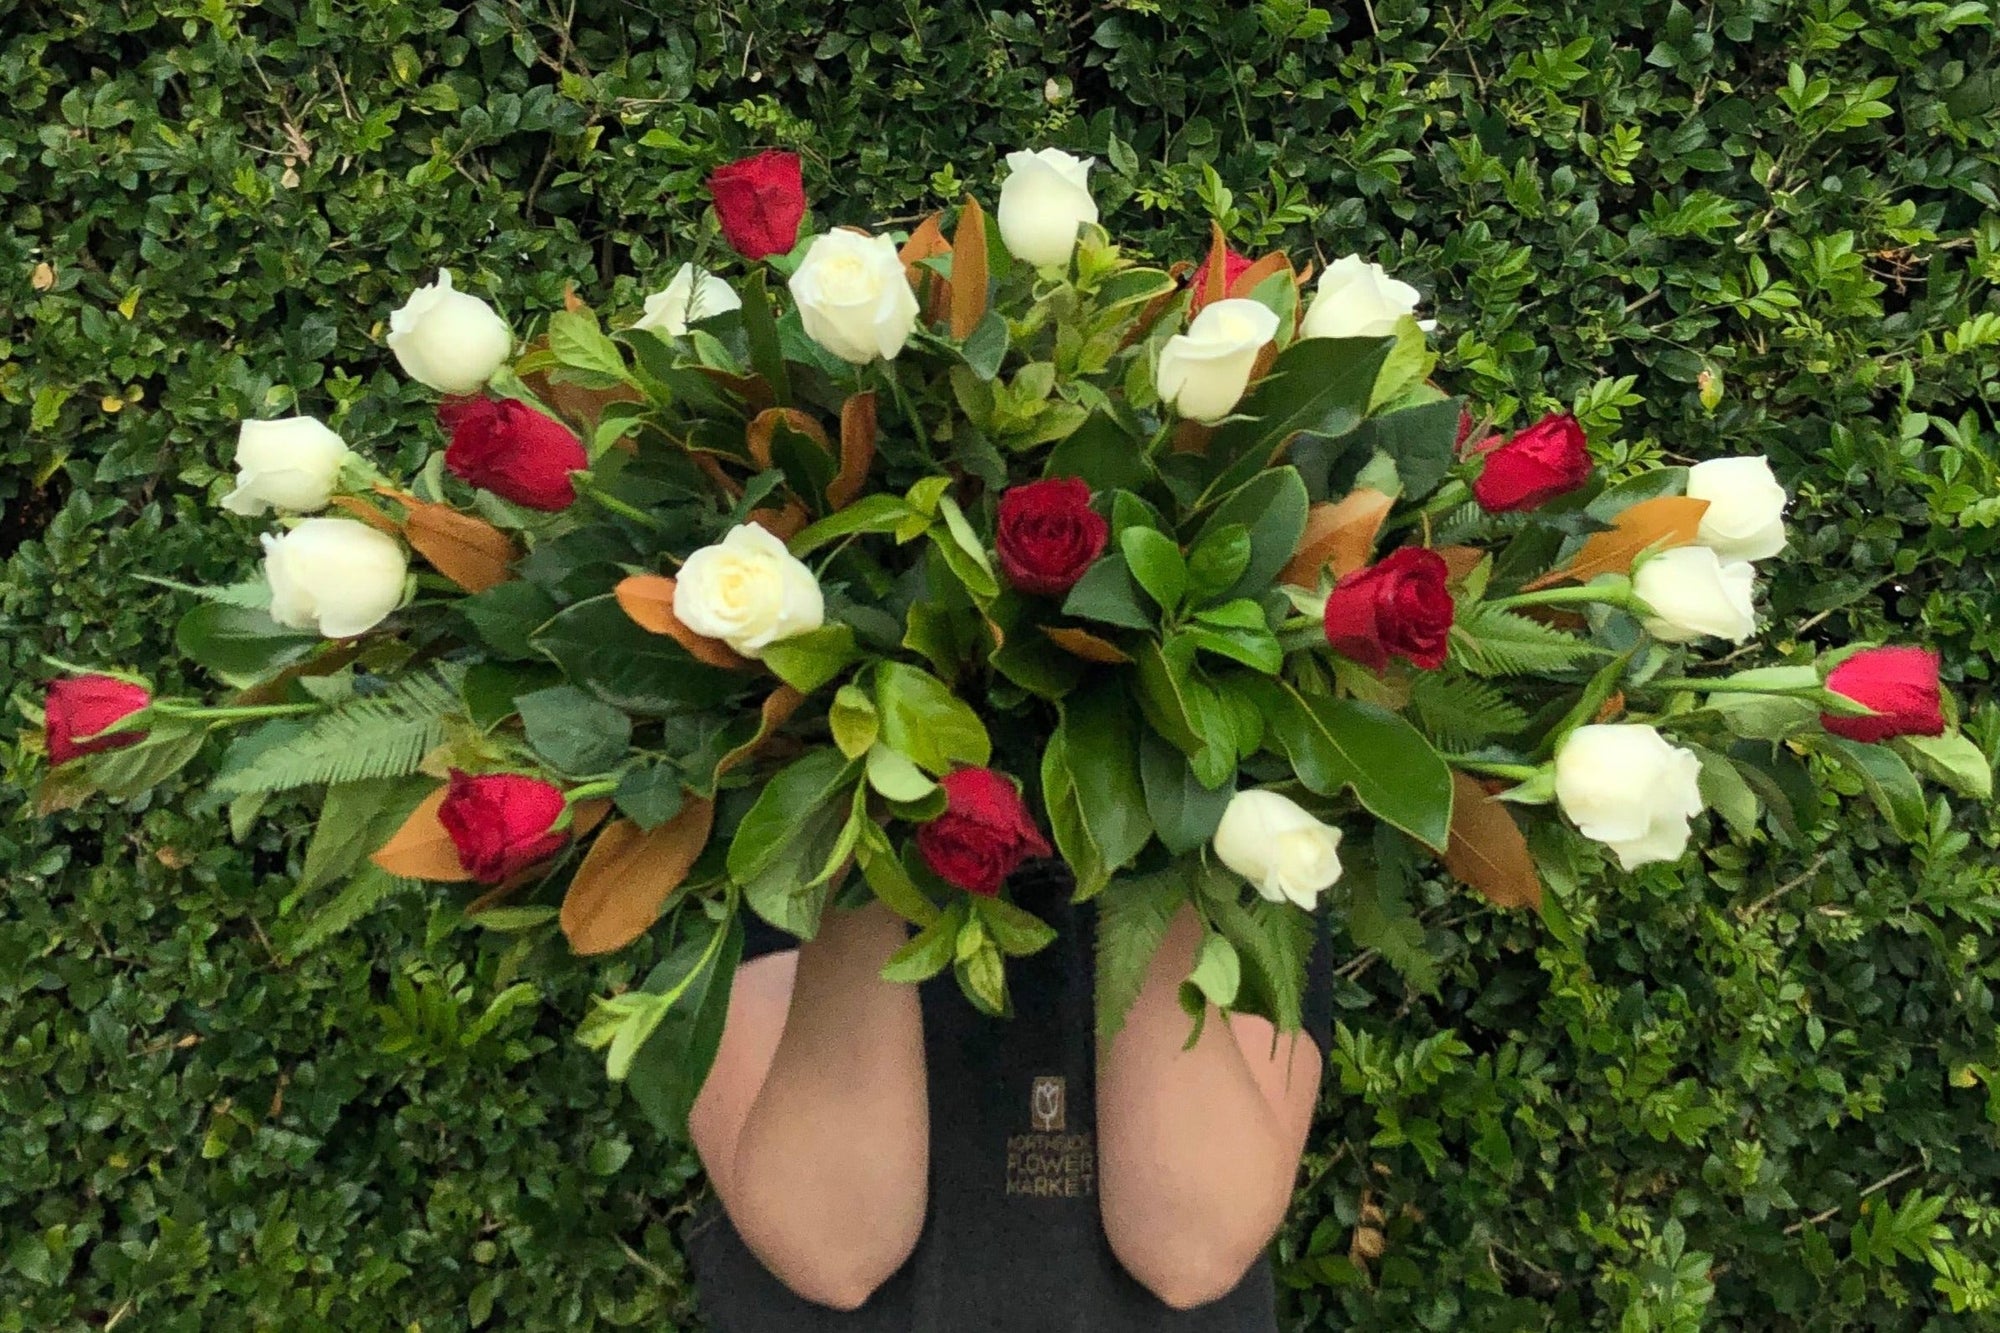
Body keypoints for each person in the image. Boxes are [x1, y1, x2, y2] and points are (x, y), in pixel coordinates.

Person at [683, 855, 1337, 1331]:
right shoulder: (739, 808)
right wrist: (856, 820)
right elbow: (833, 1246)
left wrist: (1161, 805)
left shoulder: (1256, 832)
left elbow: (1190, 1245)